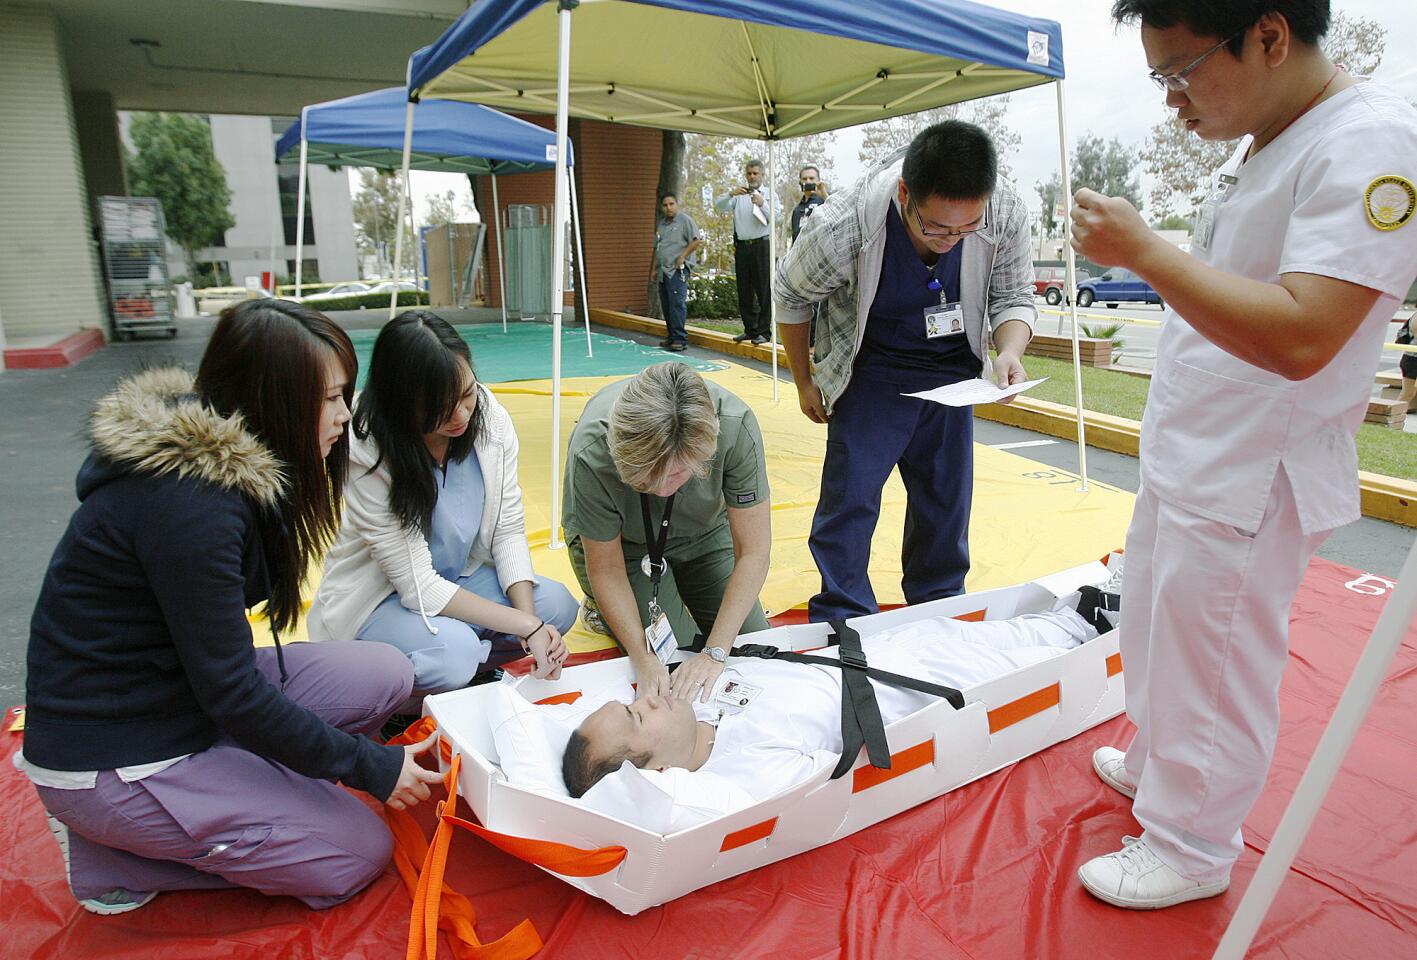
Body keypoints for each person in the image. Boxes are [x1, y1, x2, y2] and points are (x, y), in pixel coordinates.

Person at [1070, 0, 1417, 910]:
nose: (1173, 101)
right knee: (1153, 622)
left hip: (1250, 464)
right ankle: (1158, 764)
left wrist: (1142, 251)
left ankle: (1191, 843)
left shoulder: (1369, 143)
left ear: (1267, 35)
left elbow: (1308, 334)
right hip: (1197, 445)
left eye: (1181, 72)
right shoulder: (1272, 137)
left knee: (1213, 658)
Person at [19, 300, 443, 916]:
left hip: (181, 693)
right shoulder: (192, 506)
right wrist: (367, 767)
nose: (344, 415)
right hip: (116, 750)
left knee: (384, 671)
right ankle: (115, 854)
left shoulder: (241, 471)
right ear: (269, 401)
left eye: (345, 393)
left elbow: (223, 676)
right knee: (354, 854)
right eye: (327, 399)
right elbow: (234, 693)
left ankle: (244, 788)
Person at [774, 120, 1036, 623]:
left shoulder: (1002, 211)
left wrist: (1009, 351)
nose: (950, 240)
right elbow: (791, 294)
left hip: (953, 371)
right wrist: (804, 380)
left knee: (945, 502)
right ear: (904, 194)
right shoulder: (847, 223)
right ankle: (843, 612)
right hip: (873, 368)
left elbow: (1013, 295)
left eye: (965, 229)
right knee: (851, 499)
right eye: (936, 227)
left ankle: (937, 604)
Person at [562, 592, 1110, 799]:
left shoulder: (694, 696)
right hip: (916, 688)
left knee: (983, 632)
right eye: (637, 716)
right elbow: (838, 784)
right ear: (655, 772)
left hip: (890, 649)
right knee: (1018, 652)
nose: (649, 699)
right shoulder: (745, 773)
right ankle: (1100, 624)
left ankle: (1084, 612)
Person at [309, 311, 576, 695]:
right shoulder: (365, 448)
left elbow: (507, 529)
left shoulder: (490, 420)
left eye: (466, 394)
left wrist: (532, 626)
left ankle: (468, 676)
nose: (461, 414)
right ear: (400, 401)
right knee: (454, 654)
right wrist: (524, 627)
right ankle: (395, 703)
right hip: (383, 598)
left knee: (556, 605)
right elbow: (419, 588)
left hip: (456, 576)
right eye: (440, 406)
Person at [561, 363, 772, 700]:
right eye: (643, 478)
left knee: (757, 650)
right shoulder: (593, 449)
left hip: (705, 534)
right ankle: (602, 610)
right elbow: (606, 567)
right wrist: (642, 657)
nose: (660, 490)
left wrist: (716, 652)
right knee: (675, 662)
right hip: (628, 547)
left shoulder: (735, 426)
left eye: (676, 475)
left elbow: (754, 551)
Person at [715, 158, 775, 344]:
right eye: (749, 173)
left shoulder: (769, 194)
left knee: (764, 289)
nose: (752, 177)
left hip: (761, 245)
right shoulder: (739, 195)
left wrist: (763, 203)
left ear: (762, 175)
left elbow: (777, 218)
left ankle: (764, 332)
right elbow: (719, 206)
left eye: (755, 173)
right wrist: (730, 193)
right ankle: (750, 329)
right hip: (742, 246)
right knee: (745, 290)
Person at [649, 192, 702, 353]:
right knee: (666, 304)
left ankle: (680, 339)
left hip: (677, 270)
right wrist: (653, 268)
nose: (669, 208)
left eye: (671, 204)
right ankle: (671, 336)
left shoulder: (685, 220)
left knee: (676, 304)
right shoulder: (661, 224)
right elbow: (656, 248)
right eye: (665, 205)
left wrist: (683, 256)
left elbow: (696, 240)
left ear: (676, 204)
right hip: (663, 270)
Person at [790, 165, 827, 243]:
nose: (808, 181)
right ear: (800, 182)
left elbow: (837, 214)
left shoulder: (825, 201)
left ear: (818, 180)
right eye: (804, 179)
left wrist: (824, 195)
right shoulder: (797, 210)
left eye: (811, 178)